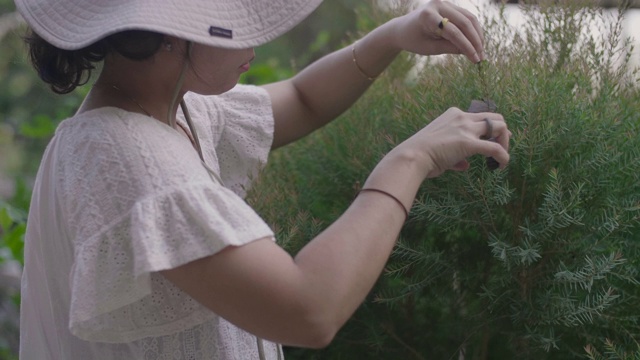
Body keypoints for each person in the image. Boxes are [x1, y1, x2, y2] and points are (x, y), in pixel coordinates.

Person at [15, 0, 510, 358]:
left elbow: (301, 98)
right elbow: (309, 308)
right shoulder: (133, 164)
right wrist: (413, 158)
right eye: (232, 15)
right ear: (168, 33)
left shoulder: (169, 112)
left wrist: (394, 36)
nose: (254, 32)